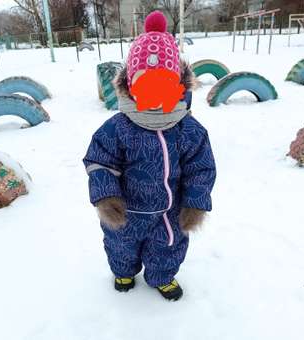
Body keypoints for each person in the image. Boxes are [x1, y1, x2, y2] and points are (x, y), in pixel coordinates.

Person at [84, 11, 216, 301]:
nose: (155, 92)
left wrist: (195, 201)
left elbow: (201, 168)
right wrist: (106, 197)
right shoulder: (117, 128)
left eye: (164, 83)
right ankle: (124, 271)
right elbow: (100, 162)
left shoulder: (188, 129)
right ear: (131, 85)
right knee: (121, 245)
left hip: (170, 213)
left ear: (178, 84)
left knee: (168, 246)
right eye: (146, 84)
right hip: (127, 211)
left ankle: (161, 277)